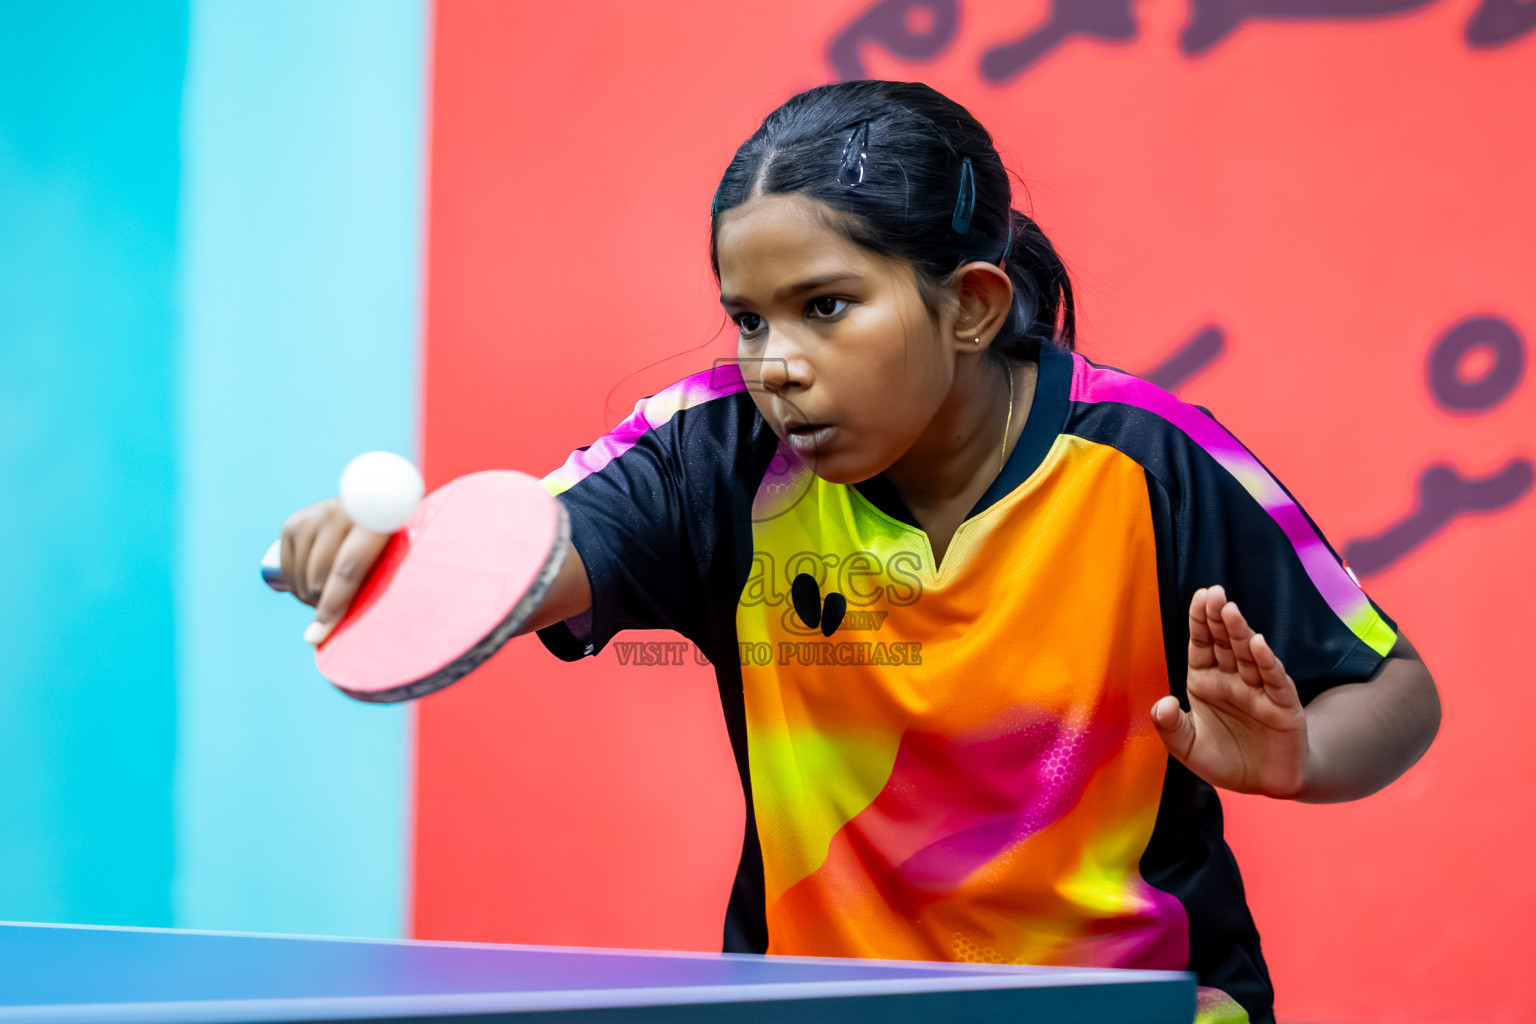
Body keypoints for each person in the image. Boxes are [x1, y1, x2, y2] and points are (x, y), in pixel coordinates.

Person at [278, 81, 1440, 1023]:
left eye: (825, 307)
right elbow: (538, 555)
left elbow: (1394, 688)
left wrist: (1300, 760)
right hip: (820, 999)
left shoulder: (1148, 459)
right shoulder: (717, 452)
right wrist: (387, 564)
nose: (774, 361)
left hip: (1134, 1003)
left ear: (972, 305)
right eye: (748, 317)